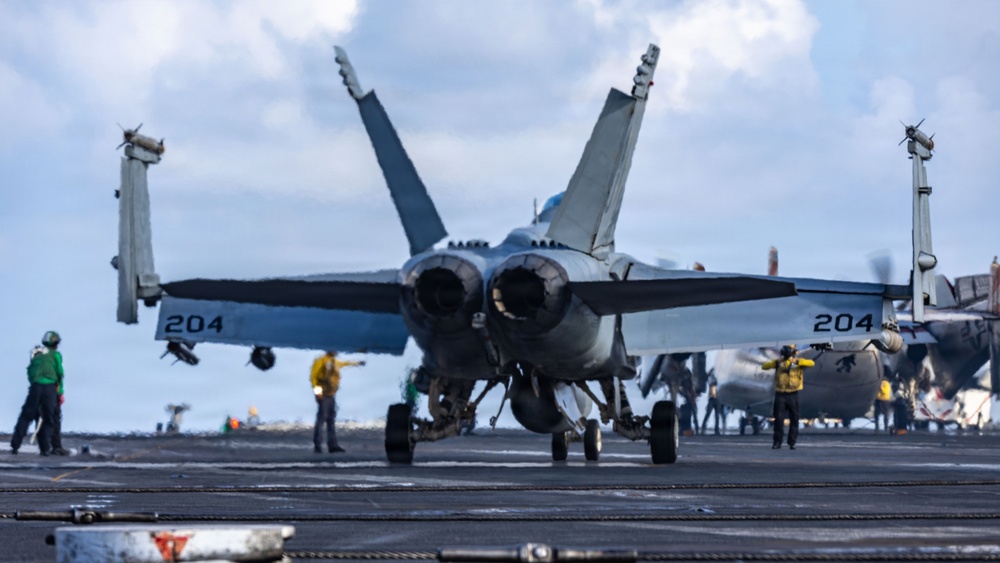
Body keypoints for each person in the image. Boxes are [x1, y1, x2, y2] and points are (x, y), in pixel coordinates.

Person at [11, 331, 65, 456]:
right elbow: (60, 374)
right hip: (50, 389)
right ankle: (45, 449)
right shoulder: (56, 355)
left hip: (35, 387)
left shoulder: (35, 353)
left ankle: (15, 446)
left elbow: (30, 372)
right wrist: (60, 393)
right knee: (49, 419)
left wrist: (35, 385)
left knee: (26, 416)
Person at [311, 351, 365, 453]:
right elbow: (314, 378)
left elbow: (344, 363)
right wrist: (318, 392)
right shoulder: (320, 361)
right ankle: (318, 444)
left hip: (331, 394)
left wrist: (357, 363)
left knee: (330, 419)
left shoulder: (334, 361)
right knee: (322, 419)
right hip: (324, 394)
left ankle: (332, 445)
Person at [762, 345, 814, 450]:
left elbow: (811, 363)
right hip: (780, 394)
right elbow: (765, 366)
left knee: (794, 419)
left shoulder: (798, 362)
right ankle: (777, 442)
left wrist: (797, 361)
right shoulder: (778, 363)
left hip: (793, 394)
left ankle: (792, 442)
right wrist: (777, 362)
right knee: (778, 420)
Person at [700, 370, 723, 435]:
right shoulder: (712, 378)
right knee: (710, 414)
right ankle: (704, 428)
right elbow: (712, 382)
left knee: (716, 415)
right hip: (712, 398)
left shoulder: (715, 377)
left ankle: (715, 429)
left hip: (716, 398)